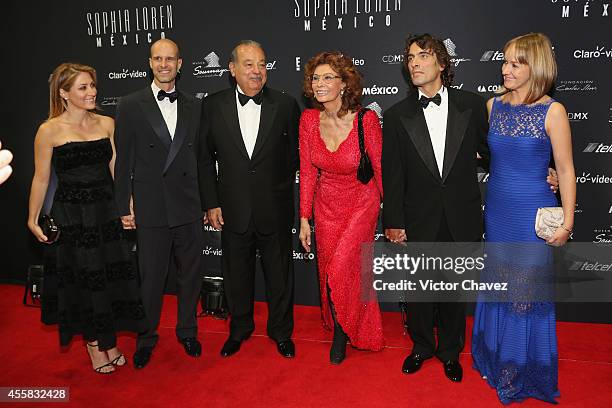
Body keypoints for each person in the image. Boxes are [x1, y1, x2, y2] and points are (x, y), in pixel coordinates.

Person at [471, 32, 575, 404]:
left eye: (516, 63)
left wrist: (566, 224)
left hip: (531, 216)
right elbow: (493, 157)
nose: (505, 69)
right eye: (505, 61)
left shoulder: (553, 111)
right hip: (498, 211)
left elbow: (564, 171)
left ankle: (519, 371)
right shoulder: (492, 106)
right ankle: (495, 359)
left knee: (524, 294)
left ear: (537, 67)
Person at [27, 63, 146, 374]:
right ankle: (95, 345)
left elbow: (118, 172)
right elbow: (41, 179)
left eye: (92, 86)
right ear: (64, 93)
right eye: (83, 87)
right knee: (85, 280)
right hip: (72, 217)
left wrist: (127, 206)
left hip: (105, 212)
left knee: (108, 277)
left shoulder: (107, 123)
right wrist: (32, 218)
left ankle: (109, 340)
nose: (91, 92)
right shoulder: (48, 130)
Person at [200, 40, 300, 358]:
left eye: (261, 64)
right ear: (232, 70)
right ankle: (239, 329)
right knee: (237, 275)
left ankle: (281, 332)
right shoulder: (213, 105)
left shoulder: (285, 105)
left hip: (275, 207)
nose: (257, 71)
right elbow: (204, 158)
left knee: (280, 275)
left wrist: (280, 189)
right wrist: (211, 202)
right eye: (248, 64)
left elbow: (294, 157)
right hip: (233, 209)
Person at [113, 39, 205, 369]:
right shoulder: (129, 103)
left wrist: (209, 201)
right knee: (150, 278)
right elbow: (122, 160)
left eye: (170, 59)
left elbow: (203, 160)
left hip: (189, 204)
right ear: (150, 63)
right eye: (157, 59)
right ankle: (146, 337)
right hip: (151, 205)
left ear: (180, 64)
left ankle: (188, 331)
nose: (164, 64)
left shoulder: (196, 105)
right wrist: (123, 205)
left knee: (190, 275)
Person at [298, 52, 384, 364]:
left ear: (344, 83)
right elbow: (307, 172)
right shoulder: (308, 120)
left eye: (328, 78)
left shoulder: (366, 120)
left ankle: (342, 335)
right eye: (316, 78)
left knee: (344, 267)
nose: (319, 84)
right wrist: (304, 217)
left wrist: (395, 218)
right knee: (328, 271)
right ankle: (338, 322)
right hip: (326, 205)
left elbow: (379, 169)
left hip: (361, 203)